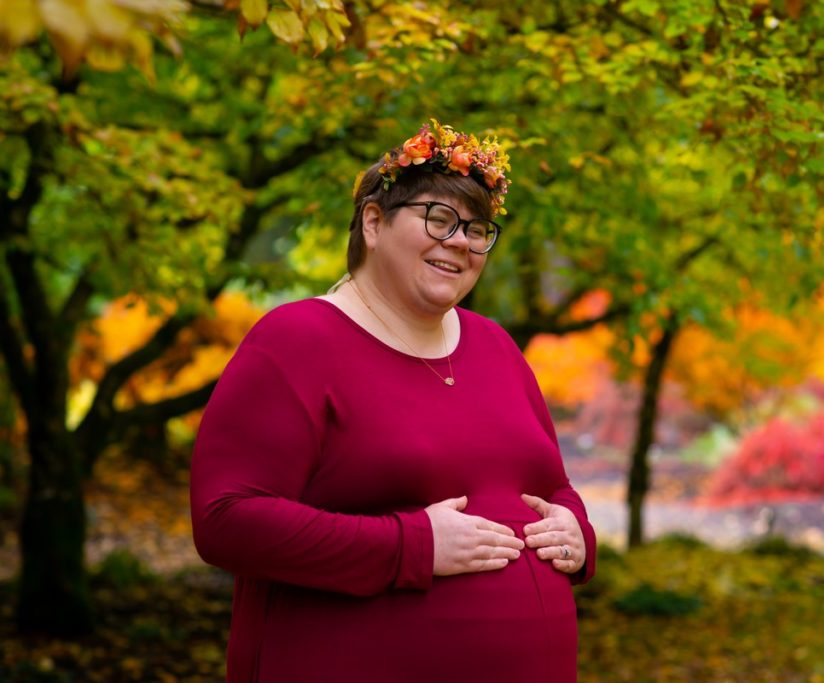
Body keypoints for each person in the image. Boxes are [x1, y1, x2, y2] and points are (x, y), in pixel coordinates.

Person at [190, 120, 597, 682]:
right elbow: (226, 519)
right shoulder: (298, 339)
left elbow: (551, 485)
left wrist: (576, 529)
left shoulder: (496, 346)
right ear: (374, 222)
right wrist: (410, 547)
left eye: (478, 229)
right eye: (440, 218)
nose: (461, 241)